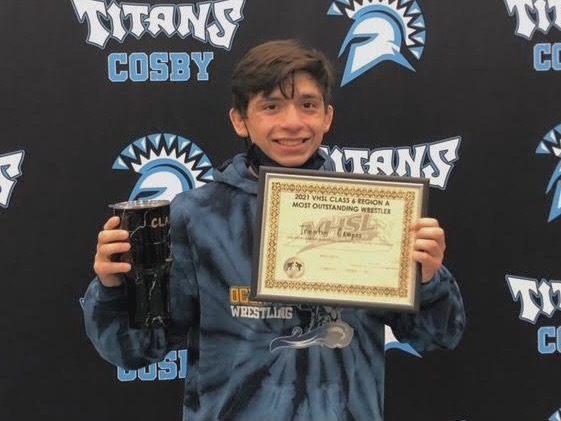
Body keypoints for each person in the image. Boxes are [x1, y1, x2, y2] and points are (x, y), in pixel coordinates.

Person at [83, 39, 465, 421]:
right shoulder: (196, 216)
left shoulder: (376, 213)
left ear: (327, 117)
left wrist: (428, 279)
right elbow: (135, 350)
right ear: (240, 120)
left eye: (308, 105)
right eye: (270, 106)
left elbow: (436, 335)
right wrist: (115, 289)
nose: (292, 122)